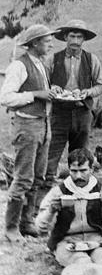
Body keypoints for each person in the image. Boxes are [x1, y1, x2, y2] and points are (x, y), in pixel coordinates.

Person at [1, 24, 56, 242]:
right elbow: (6, 98)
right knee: (23, 177)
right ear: (34, 43)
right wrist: (35, 94)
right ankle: (11, 227)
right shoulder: (18, 66)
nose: (50, 44)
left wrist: (51, 93)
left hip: (44, 124)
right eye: (46, 41)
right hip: (26, 125)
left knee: (39, 177)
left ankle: (27, 222)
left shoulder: (40, 64)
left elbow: (42, 92)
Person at [36, 148, 102, 269]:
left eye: (83, 170)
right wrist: (51, 211)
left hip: (95, 240)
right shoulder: (58, 192)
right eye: (74, 171)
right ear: (68, 170)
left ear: (91, 169)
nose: (78, 176)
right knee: (82, 263)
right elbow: (40, 227)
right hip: (66, 241)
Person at [45, 19, 102, 186]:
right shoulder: (52, 59)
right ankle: (46, 186)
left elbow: (100, 85)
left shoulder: (92, 60)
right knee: (52, 151)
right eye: (72, 36)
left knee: (81, 153)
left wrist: (88, 92)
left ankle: (79, 186)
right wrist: (53, 87)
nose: (76, 41)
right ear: (65, 37)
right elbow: (43, 84)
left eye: (79, 37)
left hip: (82, 111)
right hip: (59, 112)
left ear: (84, 39)